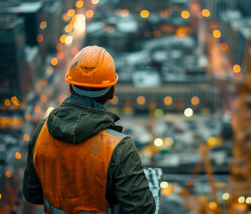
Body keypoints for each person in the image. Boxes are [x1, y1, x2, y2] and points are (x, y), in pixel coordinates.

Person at [23, 46, 155, 214]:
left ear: (71, 88)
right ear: (112, 92)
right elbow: (142, 211)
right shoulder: (119, 148)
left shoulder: (42, 131)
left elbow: (32, 194)